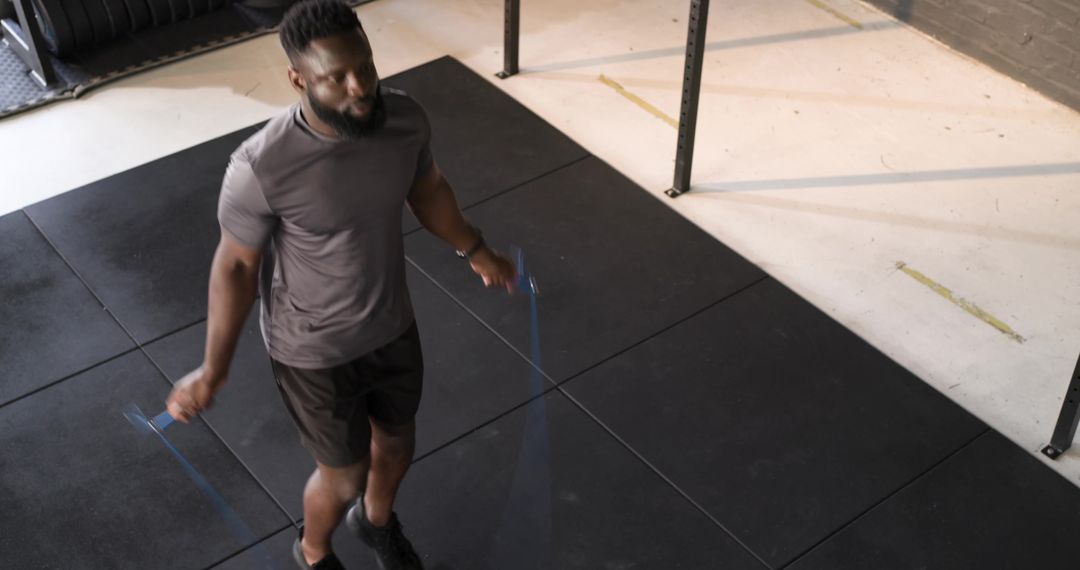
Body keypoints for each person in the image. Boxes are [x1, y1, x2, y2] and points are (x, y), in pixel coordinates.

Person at [164, 1, 517, 568]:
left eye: (367, 68)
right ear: (298, 79)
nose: (360, 87)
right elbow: (234, 266)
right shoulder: (261, 166)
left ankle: (376, 525)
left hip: (390, 324)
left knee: (398, 443)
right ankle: (312, 550)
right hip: (312, 349)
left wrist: (475, 248)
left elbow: (427, 190)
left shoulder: (403, 120)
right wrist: (213, 369)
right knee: (345, 475)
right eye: (337, 77)